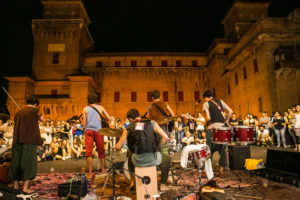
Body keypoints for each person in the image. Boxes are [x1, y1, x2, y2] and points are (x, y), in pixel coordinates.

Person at [115, 108, 170, 191]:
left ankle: (133, 182)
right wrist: (158, 147)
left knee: (130, 154)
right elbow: (165, 137)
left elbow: (118, 147)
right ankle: (163, 184)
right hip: (154, 159)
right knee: (166, 160)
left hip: (138, 161)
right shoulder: (152, 123)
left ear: (130, 119)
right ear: (139, 116)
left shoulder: (128, 128)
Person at [7, 96, 44, 193]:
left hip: (17, 140)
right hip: (29, 140)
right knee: (28, 163)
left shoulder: (19, 112)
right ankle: (25, 187)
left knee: (16, 162)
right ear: (35, 104)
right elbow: (43, 119)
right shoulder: (36, 111)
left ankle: (15, 186)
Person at [202, 90, 233, 176]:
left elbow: (208, 118)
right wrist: (226, 120)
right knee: (223, 148)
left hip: (212, 128)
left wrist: (205, 125)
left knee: (208, 149)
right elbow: (231, 111)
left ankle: (206, 170)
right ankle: (221, 169)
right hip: (222, 128)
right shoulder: (221, 101)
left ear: (205, 97)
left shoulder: (206, 103)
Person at [83, 93, 111, 178]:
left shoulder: (85, 109)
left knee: (89, 153)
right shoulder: (100, 107)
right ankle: (102, 170)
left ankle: (90, 173)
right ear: (96, 99)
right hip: (98, 131)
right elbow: (109, 118)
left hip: (89, 131)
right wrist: (101, 118)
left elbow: (84, 123)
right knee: (101, 151)